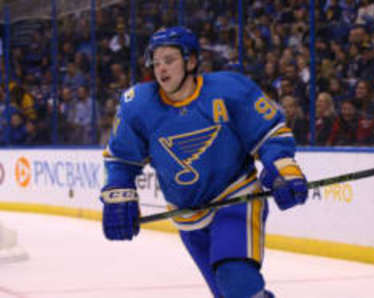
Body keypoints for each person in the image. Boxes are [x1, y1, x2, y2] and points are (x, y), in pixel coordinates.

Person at [100, 26, 308, 298]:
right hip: (186, 215)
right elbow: (120, 159)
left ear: (192, 61)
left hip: (237, 198)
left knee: (236, 281)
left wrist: (282, 170)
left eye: (170, 59)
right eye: (157, 60)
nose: (161, 68)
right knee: (226, 293)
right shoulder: (138, 105)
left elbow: (270, 135)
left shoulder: (230, 89)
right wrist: (118, 192)